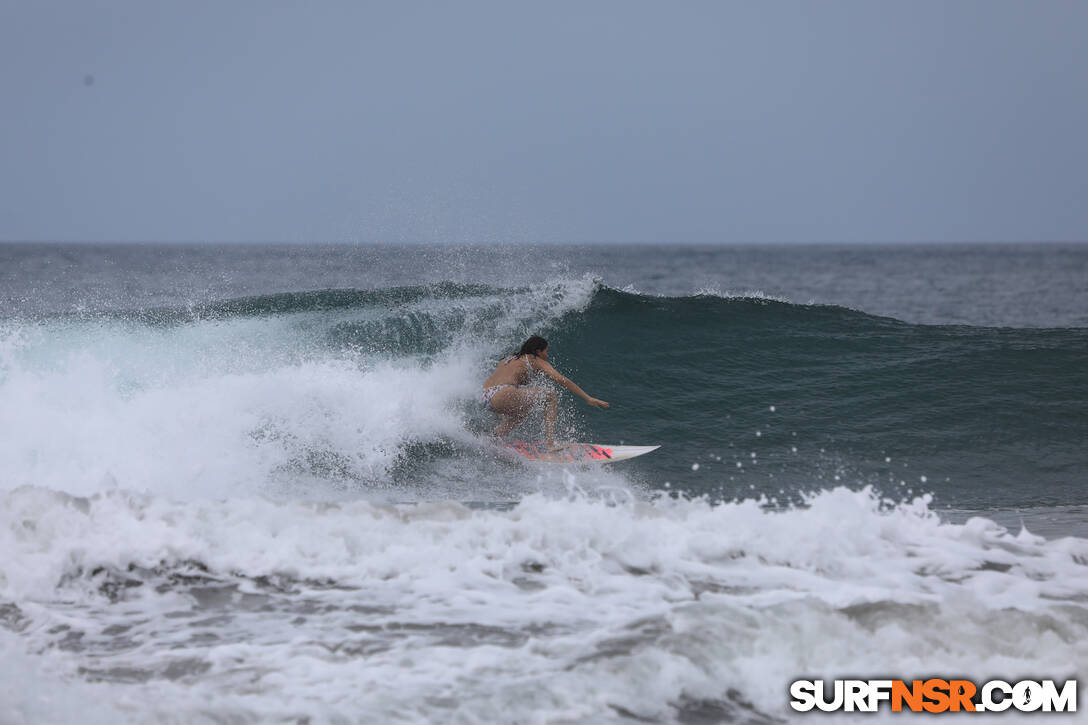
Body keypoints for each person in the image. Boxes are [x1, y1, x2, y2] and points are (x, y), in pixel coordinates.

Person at [481, 335, 609, 448]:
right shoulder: (534, 359)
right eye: (546, 351)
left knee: (522, 411)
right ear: (538, 351)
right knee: (550, 395)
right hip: (502, 393)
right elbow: (561, 379)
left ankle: (493, 437)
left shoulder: (510, 358)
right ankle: (551, 444)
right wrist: (588, 398)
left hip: (486, 396)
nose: (547, 355)